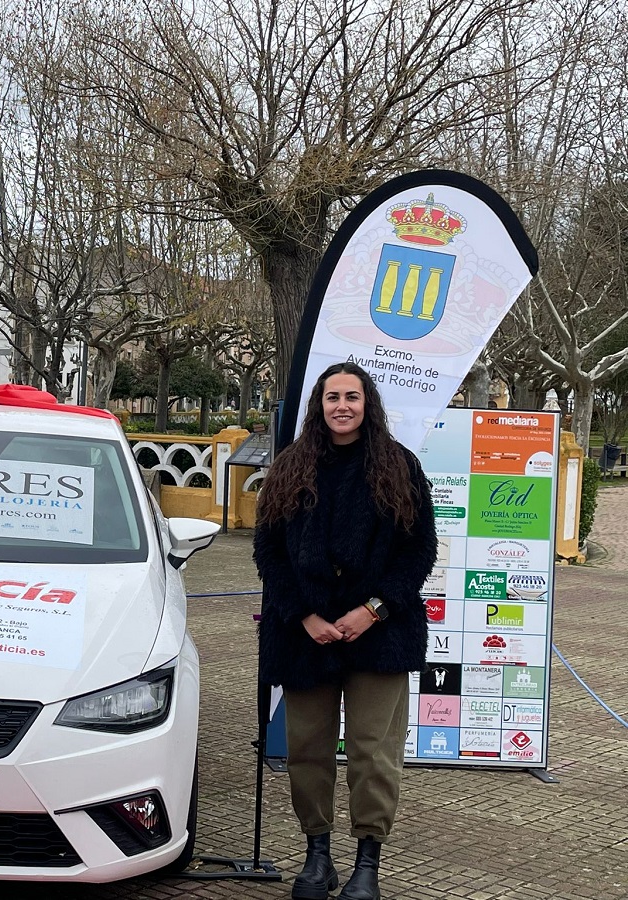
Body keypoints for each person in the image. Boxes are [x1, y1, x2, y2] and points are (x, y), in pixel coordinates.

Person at [253, 362, 436, 900]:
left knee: (371, 751)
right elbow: (269, 554)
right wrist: (305, 616)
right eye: (332, 396)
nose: (342, 406)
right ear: (319, 404)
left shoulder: (400, 467)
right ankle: (317, 856)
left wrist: (372, 610)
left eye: (351, 396)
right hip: (303, 634)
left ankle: (367, 862)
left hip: (379, 635)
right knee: (307, 748)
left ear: (367, 403)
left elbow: (418, 552)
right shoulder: (290, 467)